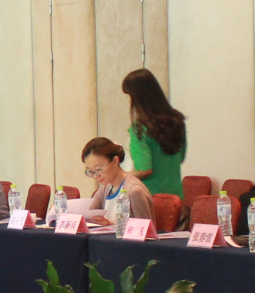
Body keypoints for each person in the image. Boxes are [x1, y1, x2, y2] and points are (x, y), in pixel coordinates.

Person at [121, 69, 187, 198]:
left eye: (128, 96)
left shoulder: (140, 128)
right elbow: (181, 157)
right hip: (175, 197)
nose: (128, 101)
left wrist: (120, 178)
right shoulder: (177, 122)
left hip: (149, 196)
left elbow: (144, 169)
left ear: (137, 97)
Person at [80, 136, 153, 226]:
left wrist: (110, 226)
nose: (95, 176)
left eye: (98, 169)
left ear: (115, 161)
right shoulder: (105, 189)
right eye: (90, 171)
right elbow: (90, 219)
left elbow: (145, 230)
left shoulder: (134, 190)